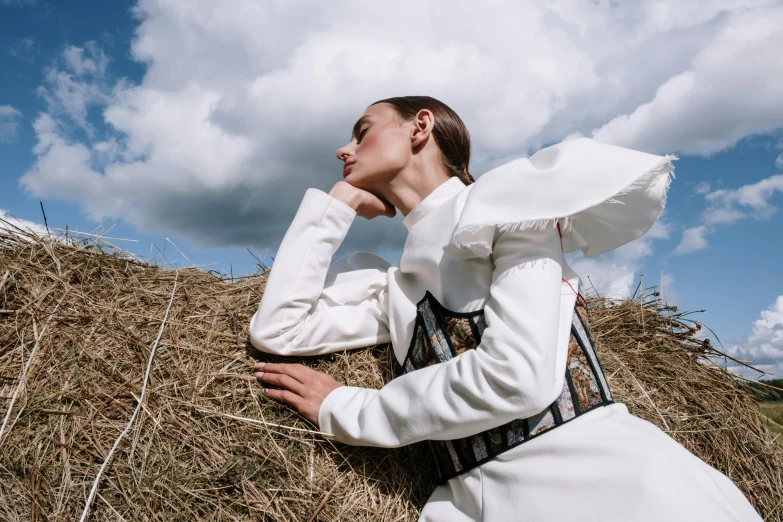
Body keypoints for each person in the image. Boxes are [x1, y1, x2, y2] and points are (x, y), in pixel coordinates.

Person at [247, 96, 762, 521]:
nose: (345, 147)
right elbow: (278, 332)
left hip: (615, 491)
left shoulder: (514, 210)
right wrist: (335, 206)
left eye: (362, 131)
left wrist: (352, 409)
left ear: (420, 127)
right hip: (478, 505)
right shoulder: (395, 287)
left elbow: (518, 374)